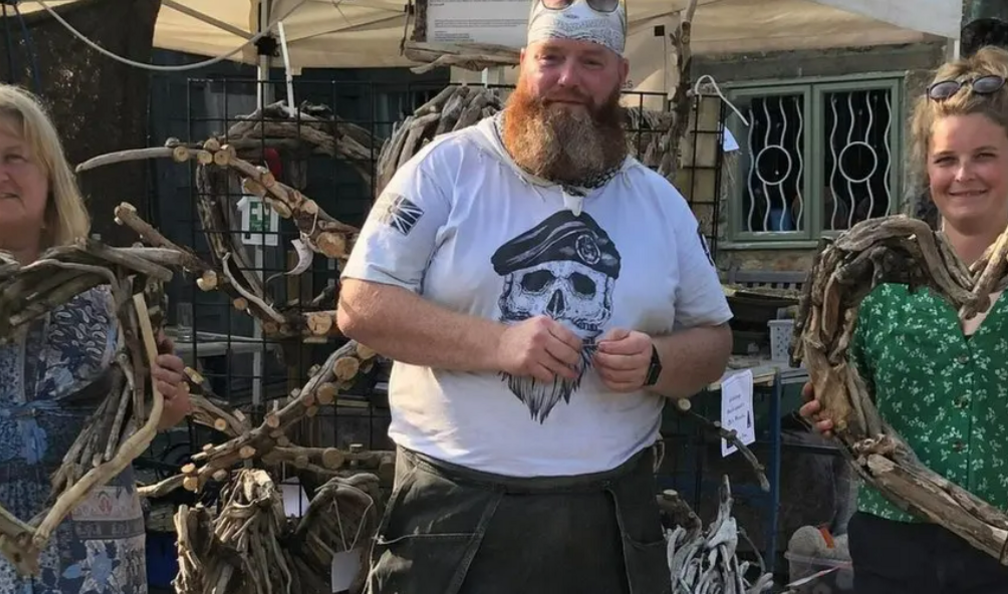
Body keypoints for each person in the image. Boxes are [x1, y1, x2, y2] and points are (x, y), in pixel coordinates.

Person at [336, 0, 733, 591]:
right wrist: (497, 342)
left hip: (610, 511)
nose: (568, 79)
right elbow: (361, 305)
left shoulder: (659, 202)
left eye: (591, 61)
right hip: (452, 508)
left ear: (622, 75)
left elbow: (714, 341)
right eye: (552, 58)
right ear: (523, 64)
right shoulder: (447, 170)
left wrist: (657, 362)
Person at [0, 81, 192, 593]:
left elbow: (149, 417)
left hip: (89, 563)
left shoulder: (108, 288)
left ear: (49, 178)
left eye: (16, 156)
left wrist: (165, 402)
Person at [799, 46, 1008, 594]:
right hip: (893, 546)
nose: (963, 175)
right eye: (946, 160)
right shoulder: (877, 286)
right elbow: (847, 392)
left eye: (984, 155)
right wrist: (832, 407)